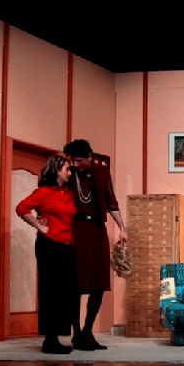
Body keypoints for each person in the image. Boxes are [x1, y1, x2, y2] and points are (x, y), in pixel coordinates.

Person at [63, 139, 128, 351]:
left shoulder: (102, 172)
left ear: (89, 156)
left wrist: (122, 228)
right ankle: (76, 333)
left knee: (98, 284)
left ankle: (88, 331)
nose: (76, 164)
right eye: (73, 161)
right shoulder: (70, 174)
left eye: (79, 160)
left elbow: (111, 201)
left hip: (97, 229)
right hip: (77, 229)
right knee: (76, 284)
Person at [15, 154, 78, 355]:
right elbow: (21, 208)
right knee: (51, 291)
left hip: (68, 245)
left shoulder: (69, 193)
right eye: (67, 169)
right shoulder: (43, 192)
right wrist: (39, 226)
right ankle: (50, 340)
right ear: (56, 170)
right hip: (50, 244)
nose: (69, 173)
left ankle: (58, 336)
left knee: (65, 292)